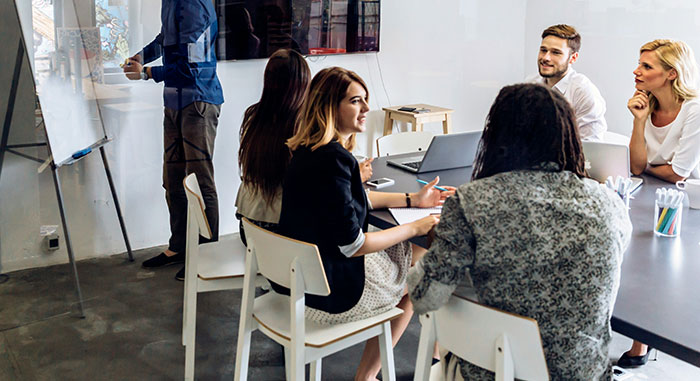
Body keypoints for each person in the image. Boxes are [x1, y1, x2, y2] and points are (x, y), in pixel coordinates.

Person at [408, 83, 632, 380]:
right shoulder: (610, 204)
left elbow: (424, 297)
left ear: (496, 136)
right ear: (569, 136)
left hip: (498, 370)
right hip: (583, 374)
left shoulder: (472, 201)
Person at [275, 66, 453, 381]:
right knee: (424, 267)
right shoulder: (335, 161)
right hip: (333, 290)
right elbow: (355, 245)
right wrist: (418, 226)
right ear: (330, 107)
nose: (367, 109)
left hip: (301, 280)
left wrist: (413, 200)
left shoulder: (308, 152)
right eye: (356, 101)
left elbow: (353, 202)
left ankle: (388, 369)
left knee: (414, 254)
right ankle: (375, 374)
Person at [123, 0, 224, 281]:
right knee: (173, 178)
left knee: (200, 182)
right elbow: (166, 38)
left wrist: (148, 74)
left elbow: (192, 65)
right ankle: (179, 245)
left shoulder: (194, 2)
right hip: (175, 100)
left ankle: (208, 255)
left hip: (197, 101)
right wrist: (142, 55)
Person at [619, 39, 700, 368]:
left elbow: (679, 172)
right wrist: (639, 122)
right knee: (634, 247)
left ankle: (643, 342)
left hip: (690, 201)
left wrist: (651, 168)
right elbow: (637, 166)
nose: (637, 71)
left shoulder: (694, 110)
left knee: (657, 260)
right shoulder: (645, 104)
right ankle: (641, 337)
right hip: (653, 191)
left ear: (671, 74)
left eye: (646, 67)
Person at [235, 49, 310, 244]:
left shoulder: (253, 116)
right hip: (283, 236)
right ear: (303, 84)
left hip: (249, 230)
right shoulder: (303, 126)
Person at [528, 24, 607, 140]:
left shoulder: (583, 92)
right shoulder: (531, 84)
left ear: (573, 58)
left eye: (556, 52)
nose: (546, 58)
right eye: (543, 50)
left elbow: (590, 147)